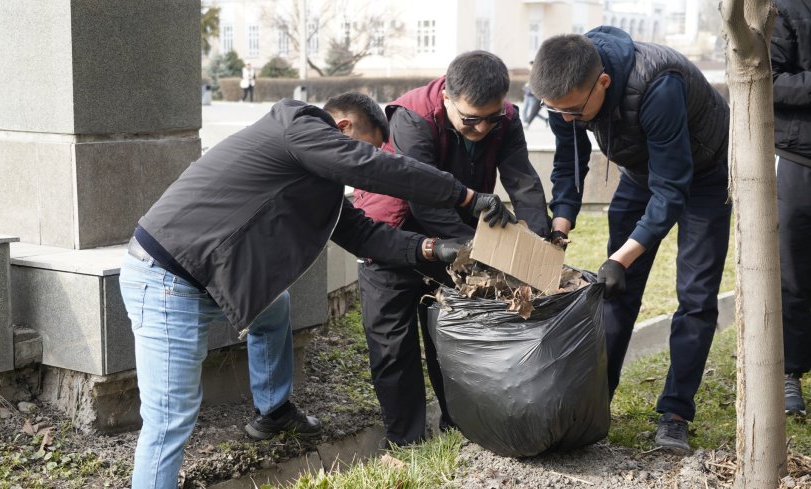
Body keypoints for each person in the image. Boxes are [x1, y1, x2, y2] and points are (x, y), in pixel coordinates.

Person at [119, 91, 514, 488]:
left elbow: (363, 234)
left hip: (206, 276)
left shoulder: (313, 175)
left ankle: (272, 412)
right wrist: (464, 195)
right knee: (170, 419)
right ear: (342, 128)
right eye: (367, 145)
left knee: (274, 308)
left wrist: (431, 248)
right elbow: (372, 167)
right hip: (169, 280)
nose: (362, 166)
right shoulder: (296, 128)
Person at [529, 27, 731, 454]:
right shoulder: (563, 90)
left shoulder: (657, 84)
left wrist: (622, 257)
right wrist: (559, 231)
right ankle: (595, 401)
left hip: (704, 173)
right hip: (641, 173)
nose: (565, 118)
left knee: (695, 295)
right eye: (556, 111)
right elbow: (569, 164)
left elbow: (673, 189)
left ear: (602, 83)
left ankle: (675, 414)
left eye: (572, 111)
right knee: (615, 294)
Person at [354, 51, 551, 447]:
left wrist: (540, 244)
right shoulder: (412, 116)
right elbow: (422, 196)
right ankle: (406, 442)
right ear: (446, 96)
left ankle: (458, 426)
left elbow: (523, 180)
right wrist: (476, 249)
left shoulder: (506, 120)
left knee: (456, 334)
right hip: (392, 233)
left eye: (491, 118)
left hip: (455, 231)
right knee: (393, 343)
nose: (481, 129)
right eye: (470, 119)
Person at [772, 0, 811, 417]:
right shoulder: (784, 8)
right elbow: (766, 79)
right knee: (793, 273)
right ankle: (790, 373)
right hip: (799, 159)